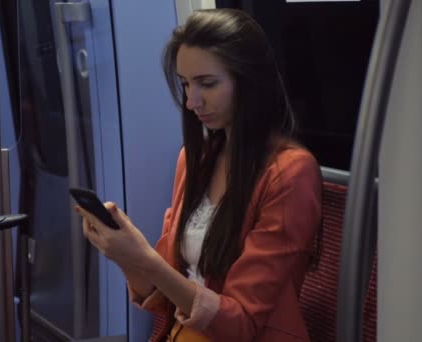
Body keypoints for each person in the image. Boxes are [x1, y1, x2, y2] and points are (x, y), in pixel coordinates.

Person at [75, 8, 322, 342]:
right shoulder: (195, 160)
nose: (192, 102)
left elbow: (243, 324)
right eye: (185, 84)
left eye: (207, 84)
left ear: (249, 82)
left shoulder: (290, 174)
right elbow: (164, 294)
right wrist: (126, 256)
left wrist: (145, 260)